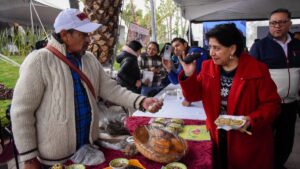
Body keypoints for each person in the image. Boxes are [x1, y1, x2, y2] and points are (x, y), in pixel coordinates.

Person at [10, 8, 163, 169]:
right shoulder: (39, 61)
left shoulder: (89, 59)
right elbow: (21, 112)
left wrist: (142, 101)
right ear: (64, 35)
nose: (89, 40)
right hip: (57, 161)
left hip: (88, 149)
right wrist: (29, 157)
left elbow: (112, 89)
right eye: (83, 34)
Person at [179, 23, 281, 169]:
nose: (211, 52)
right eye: (210, 47)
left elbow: (272, 104)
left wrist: (251, 120)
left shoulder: (257, 69)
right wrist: (189, 75)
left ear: (232, 49)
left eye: (217, 48)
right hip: (217, 135)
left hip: (246, 140)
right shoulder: (208, 67)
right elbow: (194, 95)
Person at [249, 8, 300, 169]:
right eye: (273, 23)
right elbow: (250, 77)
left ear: (290, 24)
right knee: (263, 139)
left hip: (291, 103)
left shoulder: (298, 45)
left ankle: (278, 165)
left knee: (286, 140)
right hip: (267, 105)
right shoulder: (259, 47)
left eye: (281, 22)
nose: (277, 26)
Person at [162, 37, 208, 106]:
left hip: (207, 94)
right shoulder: (182, 58)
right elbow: (176, 81)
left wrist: (188, 99)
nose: (175, 49)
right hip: (199, 97)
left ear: (185, 45)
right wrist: (169, 69)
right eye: (173, 48)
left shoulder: (194, 51)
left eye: (177, 45)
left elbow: (194, 77)